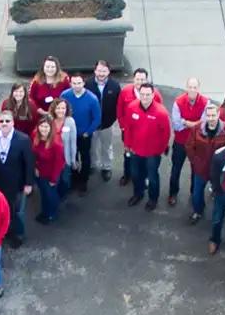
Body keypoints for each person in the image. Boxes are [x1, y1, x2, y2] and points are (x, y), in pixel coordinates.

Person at [0, 110, 33, 248]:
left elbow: (29, 162)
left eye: (7, 121)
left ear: (13, 122)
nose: (4, 123)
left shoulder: (23, 139)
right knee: (0, 209)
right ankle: (4, 232)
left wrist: (29, 183)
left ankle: (17, 234)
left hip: (16, 183)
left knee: (15, 211)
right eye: (1, 121)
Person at [121, 81, 171, 210]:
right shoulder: (131, 107)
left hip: (152, 154)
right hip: (135, 151)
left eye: (148, 94)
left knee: (153, 177)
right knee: (136, 175)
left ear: (153, 95)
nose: (145, 97)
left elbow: (166, 134)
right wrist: (127, 145)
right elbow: (128, 128)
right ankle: (138, 194)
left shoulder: (161, 112)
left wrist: (159, 150)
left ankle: (153, 199)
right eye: (142, 94)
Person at [166, 76, 208, 207]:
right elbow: (176, 125)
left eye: (195, 87)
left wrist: (185, 121)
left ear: (198, 89)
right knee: (175, 169)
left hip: (197, 143)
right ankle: (173, 193)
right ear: (186, 88)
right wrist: (194, 123)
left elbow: (204, 126)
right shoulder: (178, 102)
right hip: (180, 142)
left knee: (196, 170)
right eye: (190, 87)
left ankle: (193, 193)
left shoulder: (206, 103)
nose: (192, 90)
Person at [183, 108, 225, 225]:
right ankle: (198, 211)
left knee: (220, 194)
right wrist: (195, 161)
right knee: (197, 193)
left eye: (213, 115)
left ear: (218, 115)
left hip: (218, 171)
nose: (211, 118)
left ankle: (218, 215)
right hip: (201, 169)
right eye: (208, 116)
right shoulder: (197, 128)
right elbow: (189, 146)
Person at [83, 60, 121, 183]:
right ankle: (93, 165)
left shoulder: (115, 86)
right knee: (91, 147)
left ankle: (106, 167)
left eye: (104, 71)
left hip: (107, 125)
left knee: (106, 147)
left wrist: (113, 119)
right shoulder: (87, 84)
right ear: (95, 71)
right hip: (91, 125)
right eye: (99, 70)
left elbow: (118, 105)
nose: (101, 73)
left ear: (109, 71)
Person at [63, 72, 100, 191]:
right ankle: (74, 178)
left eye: (79, 83)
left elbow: (97, 118)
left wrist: (87, 132)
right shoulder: (64, 95)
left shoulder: (92, 99)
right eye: (74, 83)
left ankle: (84, 181)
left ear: (84, 83)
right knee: (71, 156)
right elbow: (59, 112)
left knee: (85, 157)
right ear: (70, 83)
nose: (76, 85)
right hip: (69, 134)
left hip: (84, 135)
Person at [32, 117, 65, 224]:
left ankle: (51, 214)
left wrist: (53, 179)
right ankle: (45, 211)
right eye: (41, 126)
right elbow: (33, 155)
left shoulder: (56, 144)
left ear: (51, 128)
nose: (43, 129)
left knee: (50, 195)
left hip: (50, 174)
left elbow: (59, 163)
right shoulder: (35, 136)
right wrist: (35, 167)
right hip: (39, 173)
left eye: (46, 126)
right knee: (43, 194)